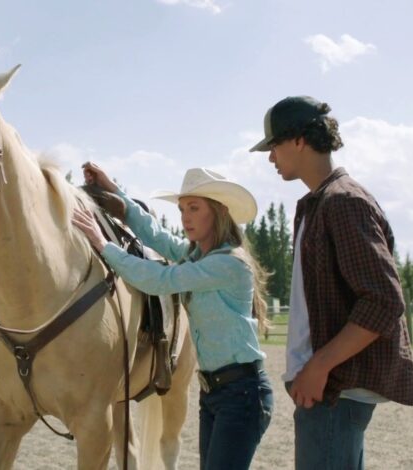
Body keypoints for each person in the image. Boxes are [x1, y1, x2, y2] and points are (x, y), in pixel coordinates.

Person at [249, 96, 413, 469]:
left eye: (273, 145)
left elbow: (384, 301)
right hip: (327, 389)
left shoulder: (343, 202)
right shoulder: (317, 203)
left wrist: (319, 366)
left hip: (334, 391)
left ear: (298, 140)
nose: (270, 157)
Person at [72, 163, 273, 470]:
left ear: (218, 212)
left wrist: (103, 245)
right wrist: (114, 190)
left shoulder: (228, 264)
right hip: (217, 393)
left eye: (194, 208)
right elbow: (157, 236)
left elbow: (160, 280)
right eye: (182, 209)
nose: (185, 217)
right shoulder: (200, 256)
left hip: (241, 395)